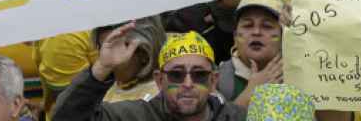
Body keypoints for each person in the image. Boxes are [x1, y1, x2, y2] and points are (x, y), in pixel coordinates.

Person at [53, 27, 245, 121]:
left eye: (199, 75)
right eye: (176, 75)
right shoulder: (137, 116)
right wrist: (102, 68)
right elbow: (65, 118)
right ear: (159, 80)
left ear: (213, 81)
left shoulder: (238, 117)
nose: (188, 83)